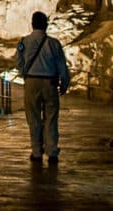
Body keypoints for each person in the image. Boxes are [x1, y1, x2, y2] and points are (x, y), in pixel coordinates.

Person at [15, 11, 71, 164]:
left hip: (32, 82)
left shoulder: (24, 42)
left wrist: (24, 73)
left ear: (32, 24)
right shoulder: (54, 43)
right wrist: (64, 83)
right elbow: (61, 66)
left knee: (33, 118)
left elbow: (18, 62)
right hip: (50, 83)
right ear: (46, 24)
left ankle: (37, 152)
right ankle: (52, 151)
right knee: (51, 117)